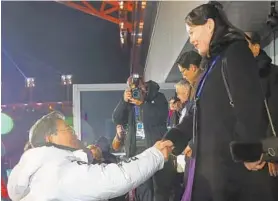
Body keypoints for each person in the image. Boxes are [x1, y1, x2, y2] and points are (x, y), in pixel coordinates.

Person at [164, 2, 274, 201]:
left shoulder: (235, 53)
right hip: (211, 168)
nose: (191, 40)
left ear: (209, 25)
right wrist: (175, 137)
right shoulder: (212, 64)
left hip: (229, 172)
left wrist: (248, 153)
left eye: (191, 32)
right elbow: (197, 113)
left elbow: (249, 105)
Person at [7, 111, 174, 201]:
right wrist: (156, 154)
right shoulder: (56, 171)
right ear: (50, 138)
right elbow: (115, 178)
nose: (74, 133)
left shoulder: (39, 168)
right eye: (68, 130)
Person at [112, 75, 171, 201]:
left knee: (159, 186)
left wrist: (143, 104)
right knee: (143, 187)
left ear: (144, 85)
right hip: (136, 149)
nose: (136, 91)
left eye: (138, 87)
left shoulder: (158, 97)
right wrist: (123, 101)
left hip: (155, 147)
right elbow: (116, 119)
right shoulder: (129, 102)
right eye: (132, 88)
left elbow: (160, 117)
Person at [245, 31, 278, 177]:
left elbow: (274, 114)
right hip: (244, 154)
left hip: (265, 155)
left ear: (256, 48)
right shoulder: (238, 77)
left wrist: (272, 153)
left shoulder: (271, 74)